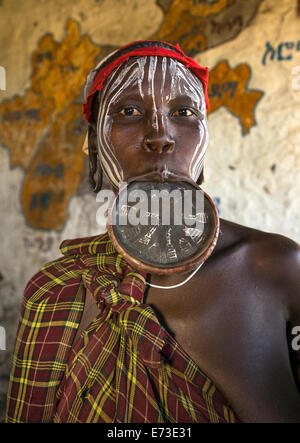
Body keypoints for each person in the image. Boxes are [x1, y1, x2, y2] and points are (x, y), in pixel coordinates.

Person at [6, 40, 300, 423]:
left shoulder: (278, 270)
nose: (160, 135)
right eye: (129, 111)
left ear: (204, 141)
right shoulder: (55, 291)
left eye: (183, 111)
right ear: (95, 145)